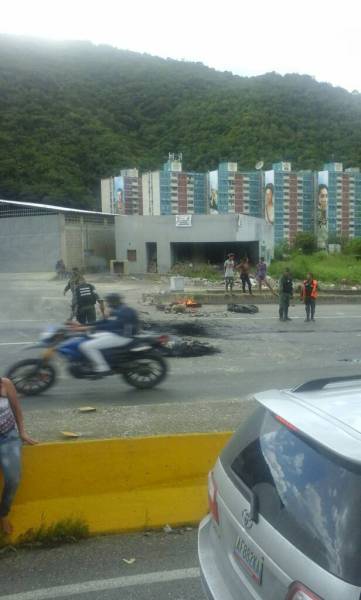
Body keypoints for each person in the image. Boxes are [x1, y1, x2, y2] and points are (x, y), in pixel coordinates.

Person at [0, 377, 37, 535]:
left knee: (13, 478)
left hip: (8, 437)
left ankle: (3, 513)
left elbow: (16, 409)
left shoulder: (5, 384)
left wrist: (22, 432)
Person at [75, 293, 139, 376]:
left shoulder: (125, 311)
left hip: (123, 337)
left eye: (109, 302)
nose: (107, 304)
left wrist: (89, 328)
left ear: (114, 301)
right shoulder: (117, 309)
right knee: (89, 337)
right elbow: (104, 321)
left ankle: (103, 367)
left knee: (86, 346)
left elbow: (112, 325)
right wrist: (82, 325)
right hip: (116, 333)